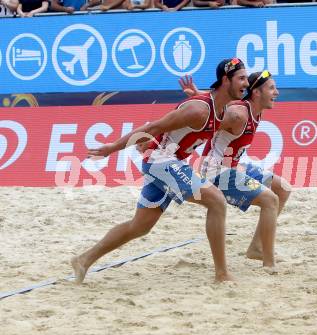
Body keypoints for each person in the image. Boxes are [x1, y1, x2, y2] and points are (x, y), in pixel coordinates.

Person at [71, 58, 249, 284]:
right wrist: (112, 148)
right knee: (216, 200)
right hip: (160, 160)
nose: (245, 83)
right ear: (226, 80)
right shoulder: (198, 109)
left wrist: (197, 93)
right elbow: (153, 127)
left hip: (169, 161)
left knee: (140, 226)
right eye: (241, 78)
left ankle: (83, 260)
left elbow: (208, 106)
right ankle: (222, 274)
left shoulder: (219, 108)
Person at [179, 71, 292, 270]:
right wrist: (199, 101)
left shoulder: (255, 109)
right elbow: (206, 120)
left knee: (282, 188)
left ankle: (257, 248)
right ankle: (269, 263)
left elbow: (218, 108)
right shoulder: (239, 114)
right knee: (270, 200)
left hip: (232, 166)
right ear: (256, 93)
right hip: (215, 172)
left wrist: (201, 95)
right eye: (272, 88)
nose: (277, 92)